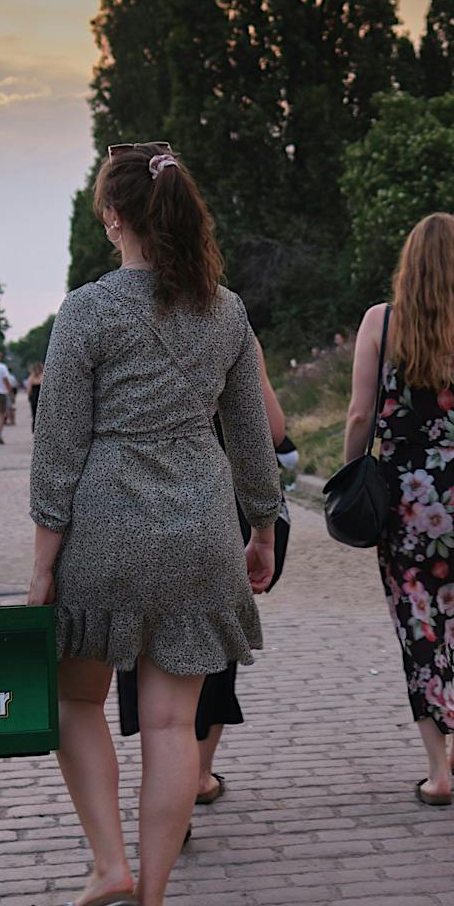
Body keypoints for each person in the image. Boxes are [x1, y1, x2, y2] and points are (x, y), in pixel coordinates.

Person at [29, 142, 279, 906]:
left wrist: (42, 561)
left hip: (104, 529)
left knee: (77, 701)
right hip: (202, 528)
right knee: (174, 726)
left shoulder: (88, 311)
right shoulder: (227, 312)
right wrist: (264, 525)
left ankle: (109, 866)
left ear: (112, 216)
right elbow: (251, 436)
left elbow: (57, 449)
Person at [342, 213, 454, 807]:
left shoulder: (381, 321)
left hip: (404, 495)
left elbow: (356, 416)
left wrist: (351, 475)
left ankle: (439, 771)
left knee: (418, 617)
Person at [116, 338, 293, 812]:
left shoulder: (111, 322)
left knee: (141, 648)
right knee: (213, 643)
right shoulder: (228, 325)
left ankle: (160, 779)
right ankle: (195, 774)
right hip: (216, 508)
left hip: (133, 505)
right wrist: (265, 528)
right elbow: (270, 429)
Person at [26, 359, 43, 430]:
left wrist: (29, 396)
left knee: (34, 413)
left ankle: (34, 428)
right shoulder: (43, 376)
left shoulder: (31, 377)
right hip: (40, 396)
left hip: (33, 397)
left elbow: (29, 388)